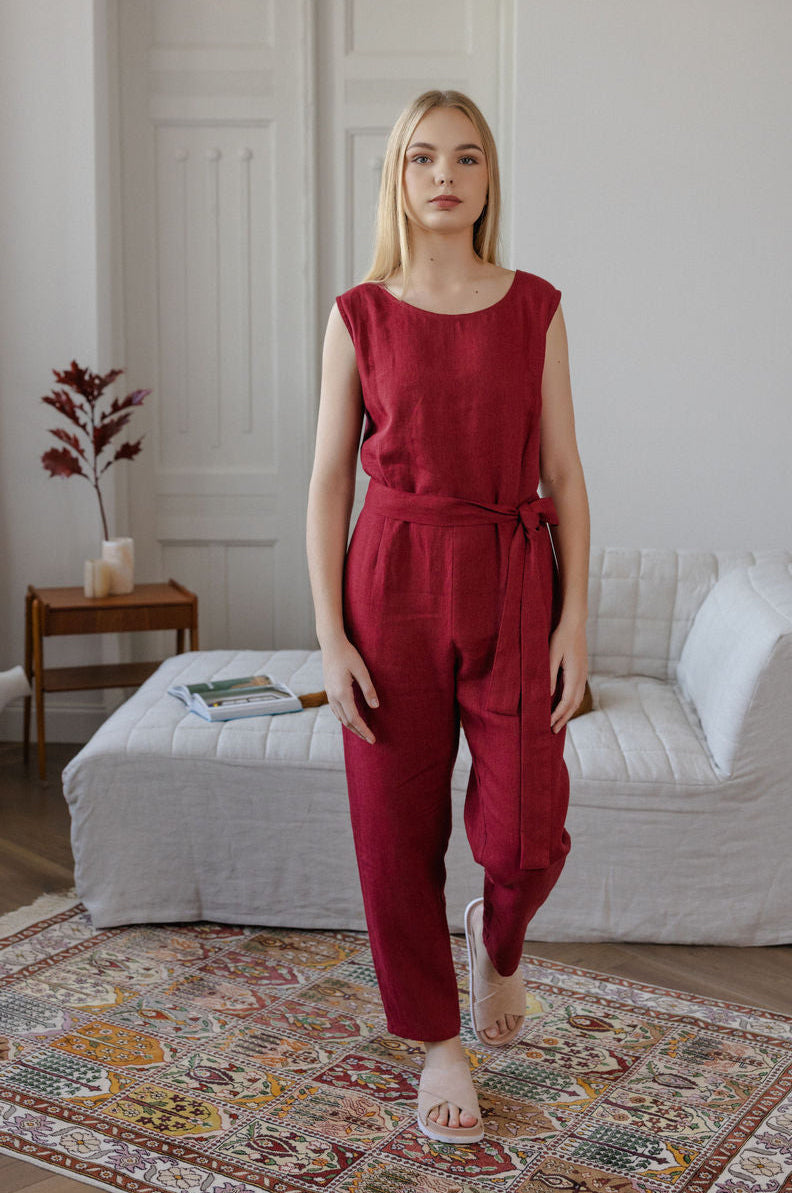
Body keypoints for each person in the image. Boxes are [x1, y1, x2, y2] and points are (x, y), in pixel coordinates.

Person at [306, 88, 590, 1145]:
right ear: (398, 175)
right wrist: (332, 636)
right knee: (393, 831)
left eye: (466, 159)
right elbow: (328, 482)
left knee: (526, 830)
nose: (443, 177)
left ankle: (500, 938)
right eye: (423, 158)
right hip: (391, 579)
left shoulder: (537, 306)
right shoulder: (358, 315)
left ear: (488, 180)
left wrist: (575, 622)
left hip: (516, 573)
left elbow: (566, 472)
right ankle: (437, 1040)